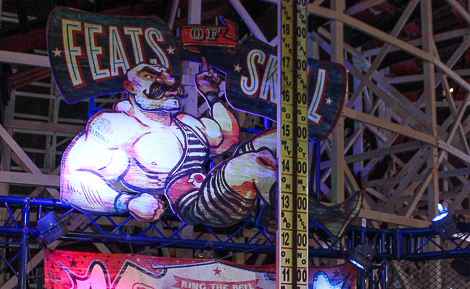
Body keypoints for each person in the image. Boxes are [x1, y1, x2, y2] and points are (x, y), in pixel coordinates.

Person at [61, 59, 360, 235]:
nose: (165, 82)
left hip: (212, 190)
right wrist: (125, 203)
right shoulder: (115, 126)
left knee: (278, 139)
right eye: (151, 77)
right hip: (190, 204)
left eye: (166, 78)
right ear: (131, 87)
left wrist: (212, 95)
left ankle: (272, 212)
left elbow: (226, 137)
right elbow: (71, 180)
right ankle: (324, 218)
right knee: (251, 163)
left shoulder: (186, 123)